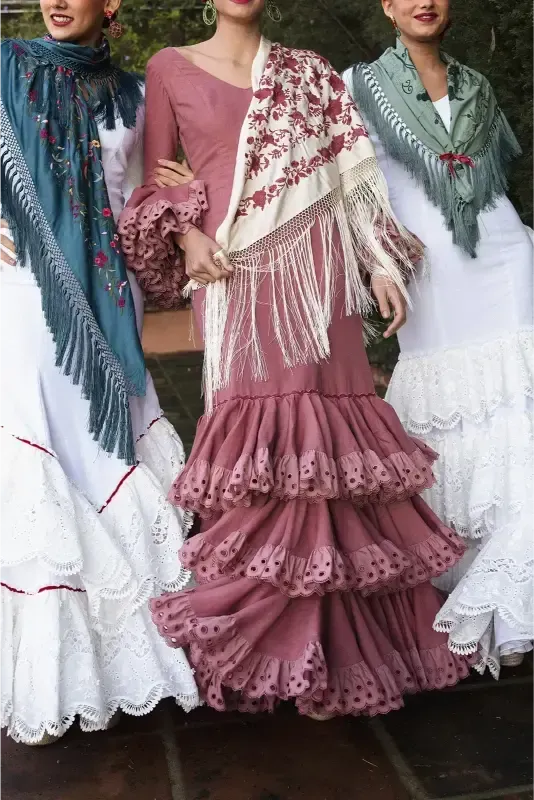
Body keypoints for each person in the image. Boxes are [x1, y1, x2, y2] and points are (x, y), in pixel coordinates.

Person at [119, 0, 476, 719]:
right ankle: (262, 645)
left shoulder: (308, 72)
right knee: (263, 456)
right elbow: (151, 185)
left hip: (324, 280)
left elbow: (352, 175)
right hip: (236, 277)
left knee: (332, 460)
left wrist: (378, 264)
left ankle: (344, 645)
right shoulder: (168, 68)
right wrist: (187, 239)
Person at [0, 0, 200, 745]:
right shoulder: (6, 67)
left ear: (108, 4)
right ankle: (45, 675)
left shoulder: (135, 96)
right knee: (41, 460)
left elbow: (143, 198)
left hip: (109, 305)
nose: (55, 0)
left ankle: (122, 659)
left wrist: (175, 196)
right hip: (23, 299)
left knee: (104, 456)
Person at [345, 0, 534, 676]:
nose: (424, 1)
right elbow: (349, 188)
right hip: (427, 265)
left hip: (505, 255)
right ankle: (465, 565)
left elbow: (491, 180)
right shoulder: (357, 85)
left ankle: (514, 595)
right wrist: (375, 263)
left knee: (520, 413)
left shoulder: (476, 85)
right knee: (456, 413)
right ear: (388, 8)